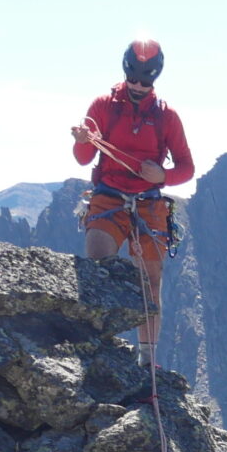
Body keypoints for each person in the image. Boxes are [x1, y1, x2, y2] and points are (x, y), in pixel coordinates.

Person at [70, 38, 194, 360]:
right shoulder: (102, 106)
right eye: (134, 78)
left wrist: (163, 176)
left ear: (155, 77)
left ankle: (147, 360)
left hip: (148, 201)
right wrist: (84, 141)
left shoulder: (167, 117)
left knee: (151, 282)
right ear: (125, 71)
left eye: (146, 79)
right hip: (109, 198)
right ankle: (97, 348)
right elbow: (83, 158)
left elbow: (186, 168)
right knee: (97, 267)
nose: (138, 85)